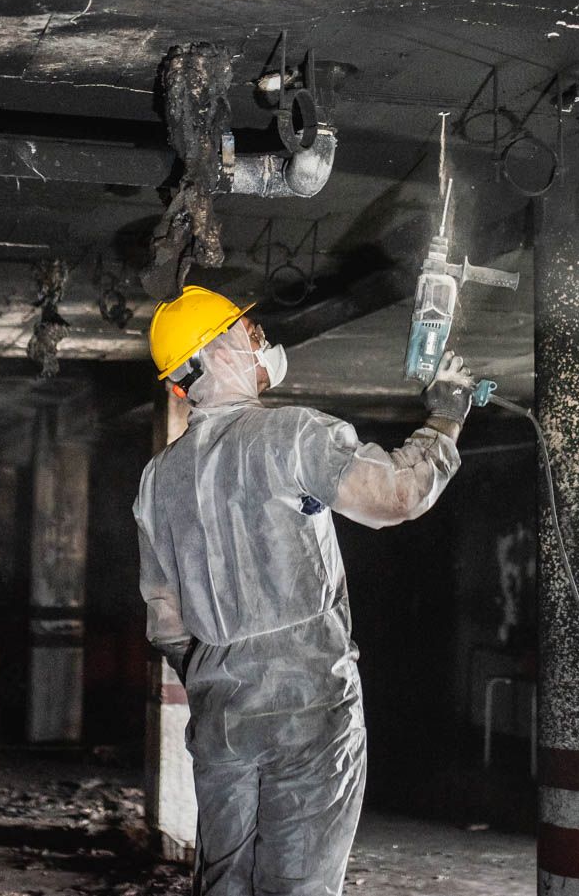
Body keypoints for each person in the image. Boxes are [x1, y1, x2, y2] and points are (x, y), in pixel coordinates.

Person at [133, 285, 474, 896]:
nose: (259, 339)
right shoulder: (291, 435)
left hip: (221, 717)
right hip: (311, 706)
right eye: (246, 332)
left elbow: (166, 624)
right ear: (216, 356)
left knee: (224, 886)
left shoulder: (158, 479)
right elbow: (398, 494)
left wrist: (224, 678)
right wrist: (446, 419)